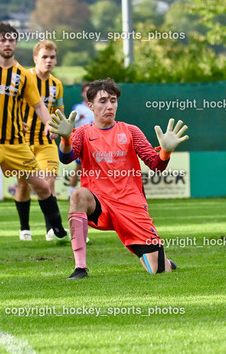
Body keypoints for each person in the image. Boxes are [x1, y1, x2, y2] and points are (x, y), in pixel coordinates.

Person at [50, 78, 188, 279]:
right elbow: (66, 158)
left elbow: (156, 165)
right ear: (90, 106)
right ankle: (80, 268)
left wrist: (165, 151)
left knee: (159, 271)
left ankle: (163, 260)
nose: (109, 106)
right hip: (100, 204)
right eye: (103, 101)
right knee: (78, 195)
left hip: (131, 206)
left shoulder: (131, 131)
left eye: (113, 100)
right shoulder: (82, 133)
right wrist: (65, 139)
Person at [0, 23, 66, 241]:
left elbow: (39, 105)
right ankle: (25, 229)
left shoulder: (22, 75)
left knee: (42, 186)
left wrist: (49, 123)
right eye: (3, 40)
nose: (7, 43)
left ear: (16, 43)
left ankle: (57, 229)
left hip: (16, 144)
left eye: (11, 40)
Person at [14, 40, 66, 241]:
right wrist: (16, 122)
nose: (48, 61)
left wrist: (57, 127)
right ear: (35, 58)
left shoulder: (56, 85)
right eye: (44, 57)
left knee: (48, 181)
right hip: (23, 142)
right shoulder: (23, 78)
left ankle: (51, 230)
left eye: (52, 57)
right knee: (23, 185)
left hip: (46, 142)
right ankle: (24, 229)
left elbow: (59, 112)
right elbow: (10, 104)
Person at [68, 81, 95, 197]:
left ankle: (93, 193)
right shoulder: (78, 107)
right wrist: (79, 117)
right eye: (86, 91)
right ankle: (71, 193)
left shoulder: (97, 107)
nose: (88, 94)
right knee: (79, 167)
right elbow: (71, 121)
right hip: (82, 142)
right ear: (82, 93)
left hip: (96, 141)